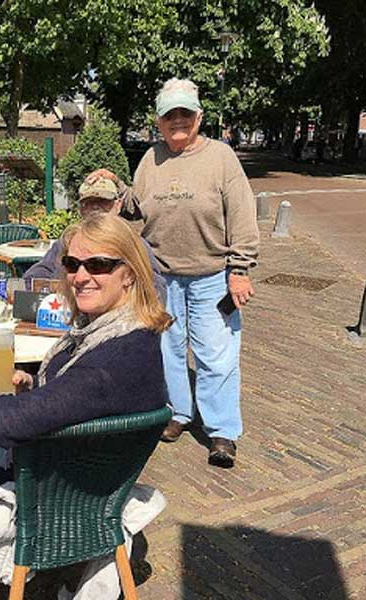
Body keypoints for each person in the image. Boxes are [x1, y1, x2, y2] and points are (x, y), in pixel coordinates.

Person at [0, 213, 171, 598]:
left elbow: (18, 421)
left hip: (56, 489)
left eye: (99, 264)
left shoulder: (113, 358)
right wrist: (33, 385)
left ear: (130, 273)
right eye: (72, 264)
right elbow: (75, 399)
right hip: (86, 468)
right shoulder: (124, 332)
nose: (80, 275)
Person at [88, 77, 259, 468]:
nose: (177, 121)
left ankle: (221, 431)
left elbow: (243, 215)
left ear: (199, 116)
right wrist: (114, 186)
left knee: (216, 355)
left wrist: (240, 268)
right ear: (159, 120)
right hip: (161, 275)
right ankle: (178, 413)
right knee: (167, 351)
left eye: (185, 113)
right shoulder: (151, 158)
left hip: (211, 274)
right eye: (170, 115)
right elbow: (137, 206)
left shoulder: (221, 158)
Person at [23, 176, 167, 303]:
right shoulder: (69, 241)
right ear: (81, 209)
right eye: (89, 203)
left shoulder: (133, 243)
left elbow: (156, 289)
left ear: (118, 205)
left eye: (103, 202)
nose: (96, 208)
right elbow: (37, 274)